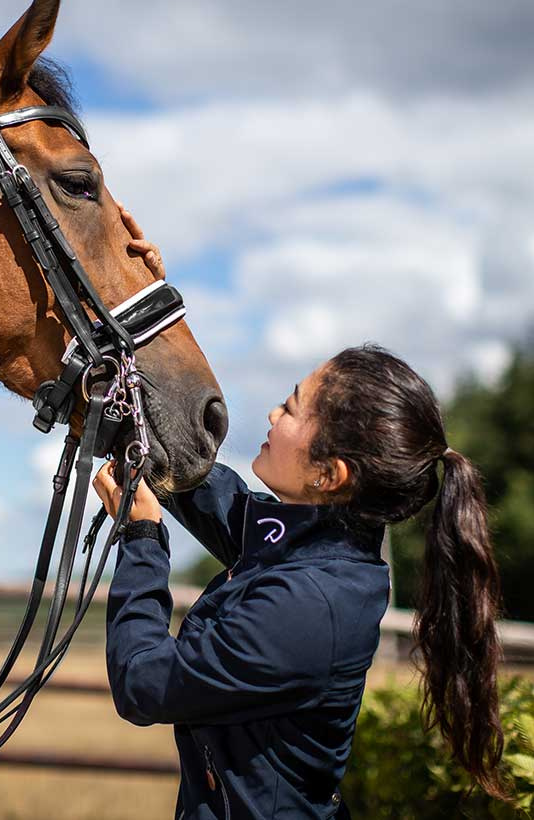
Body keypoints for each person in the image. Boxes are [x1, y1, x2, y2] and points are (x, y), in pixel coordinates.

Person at [92, 209, 505, 819]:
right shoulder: (302, 547)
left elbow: (146, 683)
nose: (270, 416)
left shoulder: (311, 605)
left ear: (329, 475)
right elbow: (199, 478)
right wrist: (147, 308)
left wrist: (143, 537)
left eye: (289, 409)